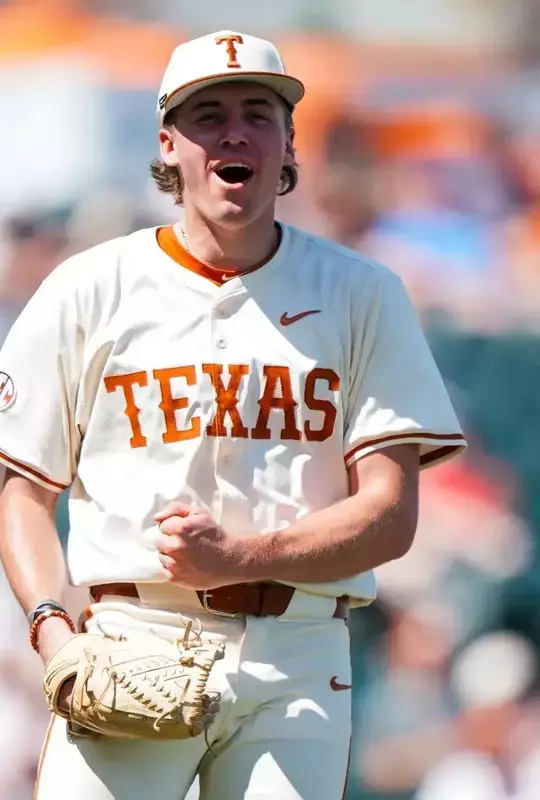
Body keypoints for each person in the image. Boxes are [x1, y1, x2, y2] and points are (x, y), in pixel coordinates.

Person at [0, 29, 467, 800]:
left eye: (259, 112)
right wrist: (53, 633)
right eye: (207, 114)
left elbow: (390, 513)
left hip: (298, 651)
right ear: (168, 143)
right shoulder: (88, 287)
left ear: (288, 145)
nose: (235, 131)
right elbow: (22, 488)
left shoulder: (362, 292)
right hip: (131, 637)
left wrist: (244, 557)